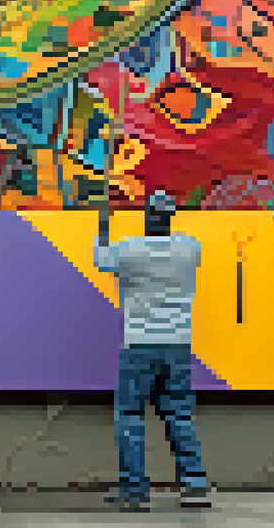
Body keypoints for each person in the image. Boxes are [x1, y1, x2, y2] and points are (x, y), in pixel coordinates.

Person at [94, 191, 210, 512]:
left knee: (130, 416)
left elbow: (101, 260)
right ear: (171, 216)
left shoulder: (129, 250)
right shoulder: (190, 248)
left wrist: (103, 228)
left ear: (147, 215)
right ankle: (195, 484)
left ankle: (135, 490)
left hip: (140, 344)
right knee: (180, 415)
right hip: (178, 344)